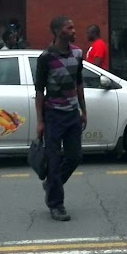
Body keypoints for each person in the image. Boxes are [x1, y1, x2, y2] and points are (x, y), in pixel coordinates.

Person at [34, 16, 86, 222]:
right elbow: (39, 92)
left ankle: (51, 185)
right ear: (57, 32)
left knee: (74, 157)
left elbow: (79, 83)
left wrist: (83, 111)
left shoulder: (78, 54)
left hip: (72, 114)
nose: (74, 31)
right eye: (69, 28)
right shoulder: (45, 58)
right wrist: (40, 121)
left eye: (73, 27)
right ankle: (56, 204)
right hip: (53, 115)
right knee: (54, 161)